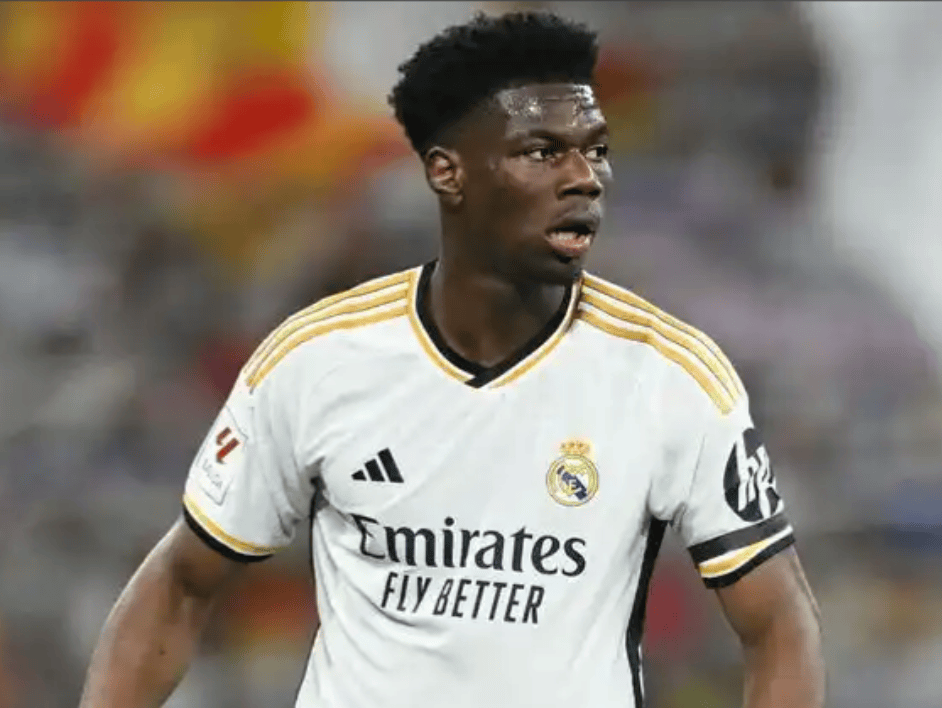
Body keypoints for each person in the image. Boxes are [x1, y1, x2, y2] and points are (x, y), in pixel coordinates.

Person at [79, 11, 825, 708]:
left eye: (594, 150)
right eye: (541, 152)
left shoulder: (671, 376)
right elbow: (182, 582)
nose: (583, 178)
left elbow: (779, 620)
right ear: (449, 173)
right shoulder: (316, 360)